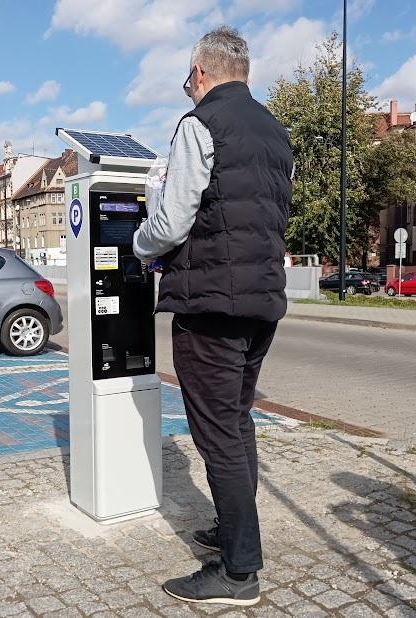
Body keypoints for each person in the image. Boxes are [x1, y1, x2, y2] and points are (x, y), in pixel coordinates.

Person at [132, 26, 293, 606]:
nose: (187, 88)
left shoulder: (199, 124)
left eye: (187, 79)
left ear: (201, 74)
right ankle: (232, 534)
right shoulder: (276, 132)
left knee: (218, 434)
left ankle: (239, 571)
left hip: (209, 305)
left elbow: (173, 221)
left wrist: (138, 244)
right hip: (262, 303)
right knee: (239, 422)